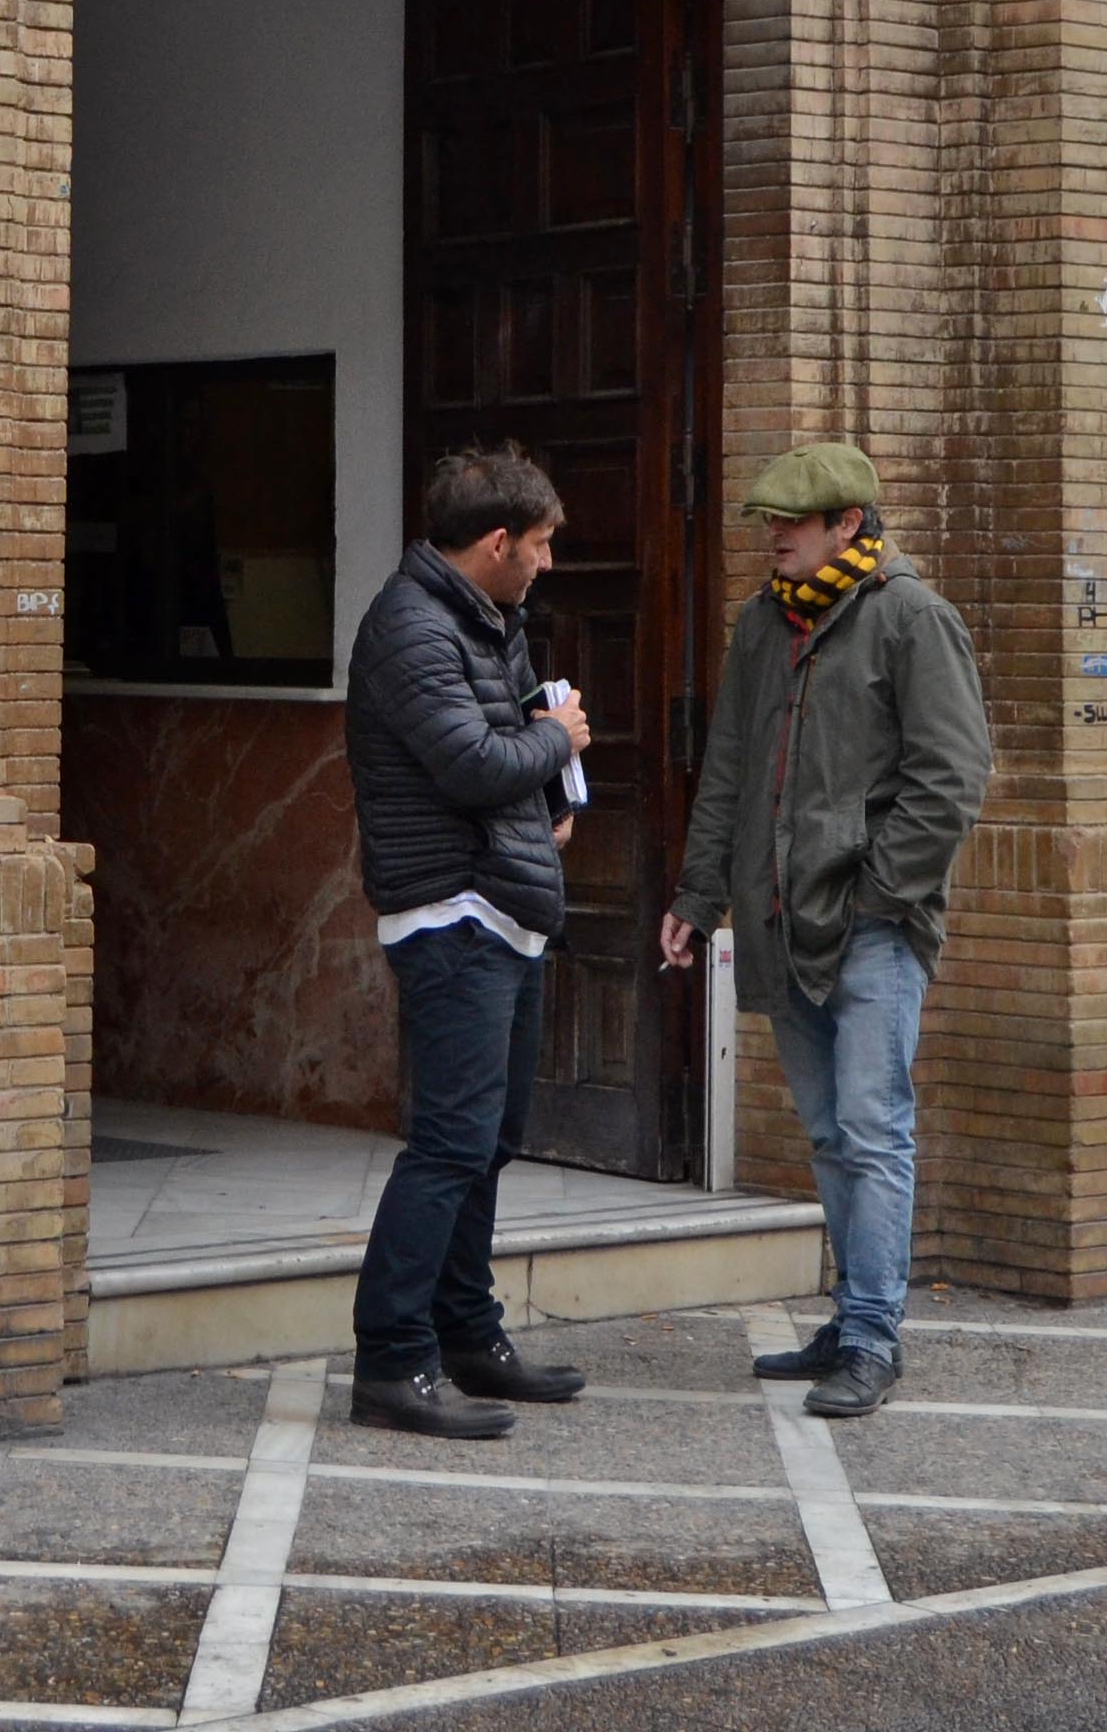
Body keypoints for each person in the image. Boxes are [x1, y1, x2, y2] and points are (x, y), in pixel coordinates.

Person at [659, 443, 990, 1421]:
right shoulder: (764, 624)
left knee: (872, 1128)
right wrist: (695, 898)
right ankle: (851, 1319)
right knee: (827, 1134)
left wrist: (877, 898)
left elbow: (951, 780)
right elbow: (727, 769)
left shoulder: (911, 618)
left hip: (871, 926)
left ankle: (874, 1339)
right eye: (770, 524)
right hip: (774, 917)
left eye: (793, 524)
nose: (775, 540)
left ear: (850, 523)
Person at [339, 444, 597, 1440]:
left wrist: (545, 790)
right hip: (452, 918)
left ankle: (467, 1337)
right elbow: (467, 761)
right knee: (447, 1148)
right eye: (538, 545)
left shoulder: (489, 621)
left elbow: (502, 760)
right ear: (496, 542)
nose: (546, 562)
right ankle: (391, 1361)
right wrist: (558, 744)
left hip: (504, 908)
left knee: (488, 1143)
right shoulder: (409, 627)